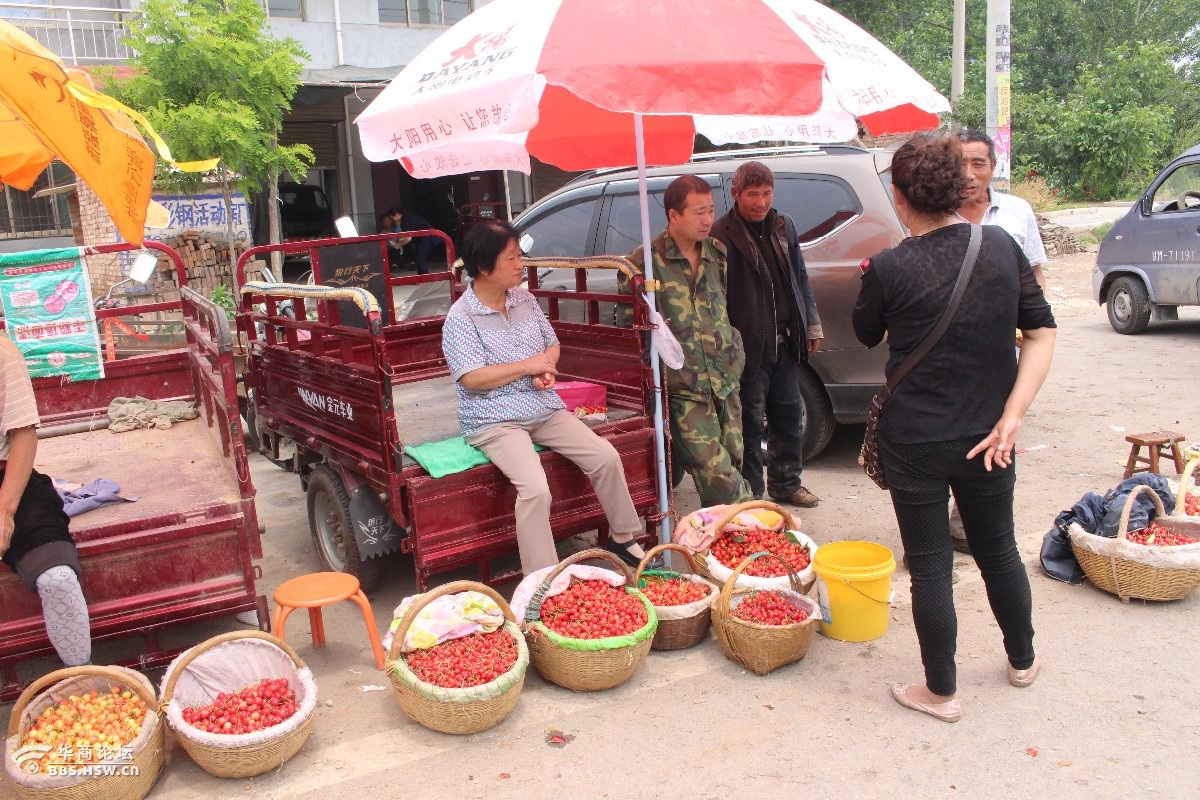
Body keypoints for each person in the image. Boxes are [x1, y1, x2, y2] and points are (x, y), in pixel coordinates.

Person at [851, 132, 1056, 723]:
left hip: (914, 437)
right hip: (991, 434)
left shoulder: (887, 267)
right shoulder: (997, 245)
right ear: (960, 185)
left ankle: (940, 692)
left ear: (897, 195)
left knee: (930, 564)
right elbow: (1040, 334)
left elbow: (867, 334)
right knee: (997, 548)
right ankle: (1022, 660)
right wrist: (1012, 418)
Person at [441, 219, 647, 572]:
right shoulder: (460, 318)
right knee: (536, 490)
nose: (521, 264)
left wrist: (546, 369)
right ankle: (542, 578)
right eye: (511, 258)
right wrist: (529, 367)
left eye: (520, 255)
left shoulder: (525, 300)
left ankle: (624, 538)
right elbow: (472, 378)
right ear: (482, 268)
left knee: (606, 456)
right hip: (495, 420)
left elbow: (551, 345)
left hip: (543, 407)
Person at [622, 175, 753, 507]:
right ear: (673, 215)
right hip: (685, 386)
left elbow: (724, 305)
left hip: (724, 377)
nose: (708, 220)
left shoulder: (717, 253)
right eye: (698, 212)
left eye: (710, 210)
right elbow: (630, 327)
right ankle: (755, 527)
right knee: (715, 473)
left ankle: (720, 541)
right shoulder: (644, 262)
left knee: (734, 459)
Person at [712, 161, 823, 508]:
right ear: (736, 194)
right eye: (752, 195)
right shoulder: (721, 234)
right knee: (749, 422)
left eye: (766, 193)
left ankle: (787, 484)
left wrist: (812, 324)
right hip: (747, 348)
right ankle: (752, 494)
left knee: (789, 417)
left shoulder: (782, 225)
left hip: (785, 341)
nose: (760, 202)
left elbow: (800, 276)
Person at [0, 336, 91, 667]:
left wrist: (5, 514)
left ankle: (81, 680)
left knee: (57, 578)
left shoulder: (3, 355)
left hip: (7, 479)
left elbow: (23, 433)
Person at [957, 129, 1049, 290]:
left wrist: (1036, 312)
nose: (968, 175)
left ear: (993, 166)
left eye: (978, 164)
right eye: (959, 165)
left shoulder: (1018, 210)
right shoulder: (934, 214)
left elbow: (1034, 272)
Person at [389, 204, 442, 275]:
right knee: (419, 256)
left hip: (429, 236)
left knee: (420, 256)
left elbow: (408, 239)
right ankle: (421, 276)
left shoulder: (406, 220)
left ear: (397, 214)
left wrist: (398, 244)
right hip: (426, 236)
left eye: (391, 218)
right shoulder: (407, 217)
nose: (391, 220)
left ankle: (423, 277)